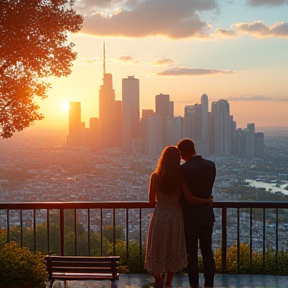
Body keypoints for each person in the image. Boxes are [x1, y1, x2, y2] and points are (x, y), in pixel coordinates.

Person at [144, 146, 213, 288]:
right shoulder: (180, 178)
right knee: (172, 247)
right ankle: (169, 281)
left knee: (158, 247)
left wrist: (162, 204)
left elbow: (151, 202)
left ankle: (158, 278)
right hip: (175, 216)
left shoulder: (155, 177)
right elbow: (190, 198)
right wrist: (207, 201)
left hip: (160, 215)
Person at [177, 139, 216, 288]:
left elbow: (186, 197)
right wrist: (207, 201)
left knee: (191, 254)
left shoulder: (183, 170)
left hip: (190, 217)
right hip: (207, 215)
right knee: (207, 251)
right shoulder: (211, 165)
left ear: (182, 153)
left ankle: (194, 284)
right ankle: (209, 284)